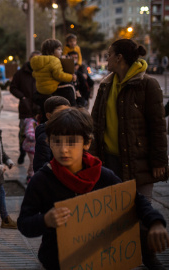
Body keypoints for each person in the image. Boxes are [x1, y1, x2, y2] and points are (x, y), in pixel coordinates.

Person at [17, 107, 169, 270]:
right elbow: (24, 223)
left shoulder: (103, 175)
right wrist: (45, 220)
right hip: (58, 261)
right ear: (48, 142)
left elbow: (135, 200)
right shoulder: (42, 180)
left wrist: (156, 223)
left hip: (102, 258)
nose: (64, 149)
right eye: (57, 141)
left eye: (71, 141)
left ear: (87, 143)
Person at [90, 39, 168, 269]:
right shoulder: (105, 85)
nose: (106, 59)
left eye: (108, 55)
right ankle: (118, 257)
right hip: (110, 161)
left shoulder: (147, 85)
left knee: (143, 209)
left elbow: (157, 126)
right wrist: (94, 159)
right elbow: (95, 125)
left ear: (119, 58)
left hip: (139, 161)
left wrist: (159, 161)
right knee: (114, 213)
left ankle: (149, 256)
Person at [10, 50, 41, 164]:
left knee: (38, 133)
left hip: (39, 109)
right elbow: (13, 87)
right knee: (23, 133)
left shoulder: (43, 72)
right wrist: (22, 97)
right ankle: (22, 152)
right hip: (25, 109)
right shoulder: (20, 73)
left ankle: (35, 154)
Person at [31, 39, 77, 112]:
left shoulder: (36, 61)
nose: (61, 52)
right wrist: (71, 77)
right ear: (51, 51)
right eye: (59, 49)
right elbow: (59, 75)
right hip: (52, 89)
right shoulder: (54, 60)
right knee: (69, 87)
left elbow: (34, 74)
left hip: (41, 90)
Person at [33, 96, 70, 173]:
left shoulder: (66, 130)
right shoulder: (45, 138)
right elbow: (40, 166)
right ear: (49, 116)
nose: (66, 116)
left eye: (68, 112)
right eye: (61, 113)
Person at [22, 113, 38, 183]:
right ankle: (30, 176)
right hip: (31, 146)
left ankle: (32, 175)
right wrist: (38, 136)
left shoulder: (36, 122)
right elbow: (28, 133)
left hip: (34, 146)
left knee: (34, 161)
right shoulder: (31, 122)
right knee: (33, 162)